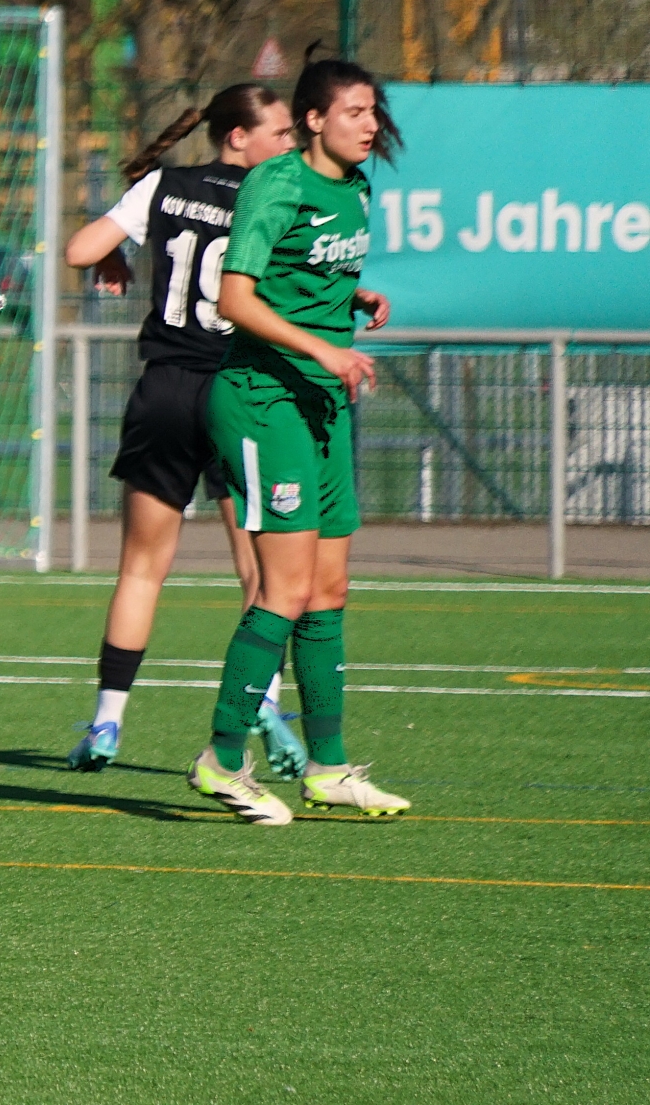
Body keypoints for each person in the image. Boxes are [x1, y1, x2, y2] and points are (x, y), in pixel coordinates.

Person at [59, 85, 311, 777]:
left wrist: (112, 252)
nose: (288, 144)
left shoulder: (164, 186)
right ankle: (263, 702)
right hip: (240, 392)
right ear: (238, 137)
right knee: (260, 574)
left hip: (165, 391)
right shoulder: (278, 197)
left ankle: (107, 722)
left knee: (142, 569)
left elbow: (79, 249)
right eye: (279, 132)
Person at [187, 57, 411, 824]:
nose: (370, 124)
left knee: (328, 591)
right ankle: (221, 760)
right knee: (281, 591)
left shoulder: (356, 188)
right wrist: (323, 345)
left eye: (373, 111)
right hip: (262, 399)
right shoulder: (276, 183)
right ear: (314, 119)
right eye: (355, 111)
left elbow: (302, 275)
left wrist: (351, 295)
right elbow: (236, 298)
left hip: (321, 401)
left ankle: (329, 767)